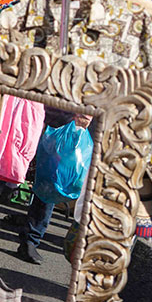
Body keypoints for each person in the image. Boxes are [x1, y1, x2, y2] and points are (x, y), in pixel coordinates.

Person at [17, 113, 93, 265]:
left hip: (66, 132)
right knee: (48, 185)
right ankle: (30, 238)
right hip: (54, 127)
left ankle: (31, 239)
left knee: (52, 186)